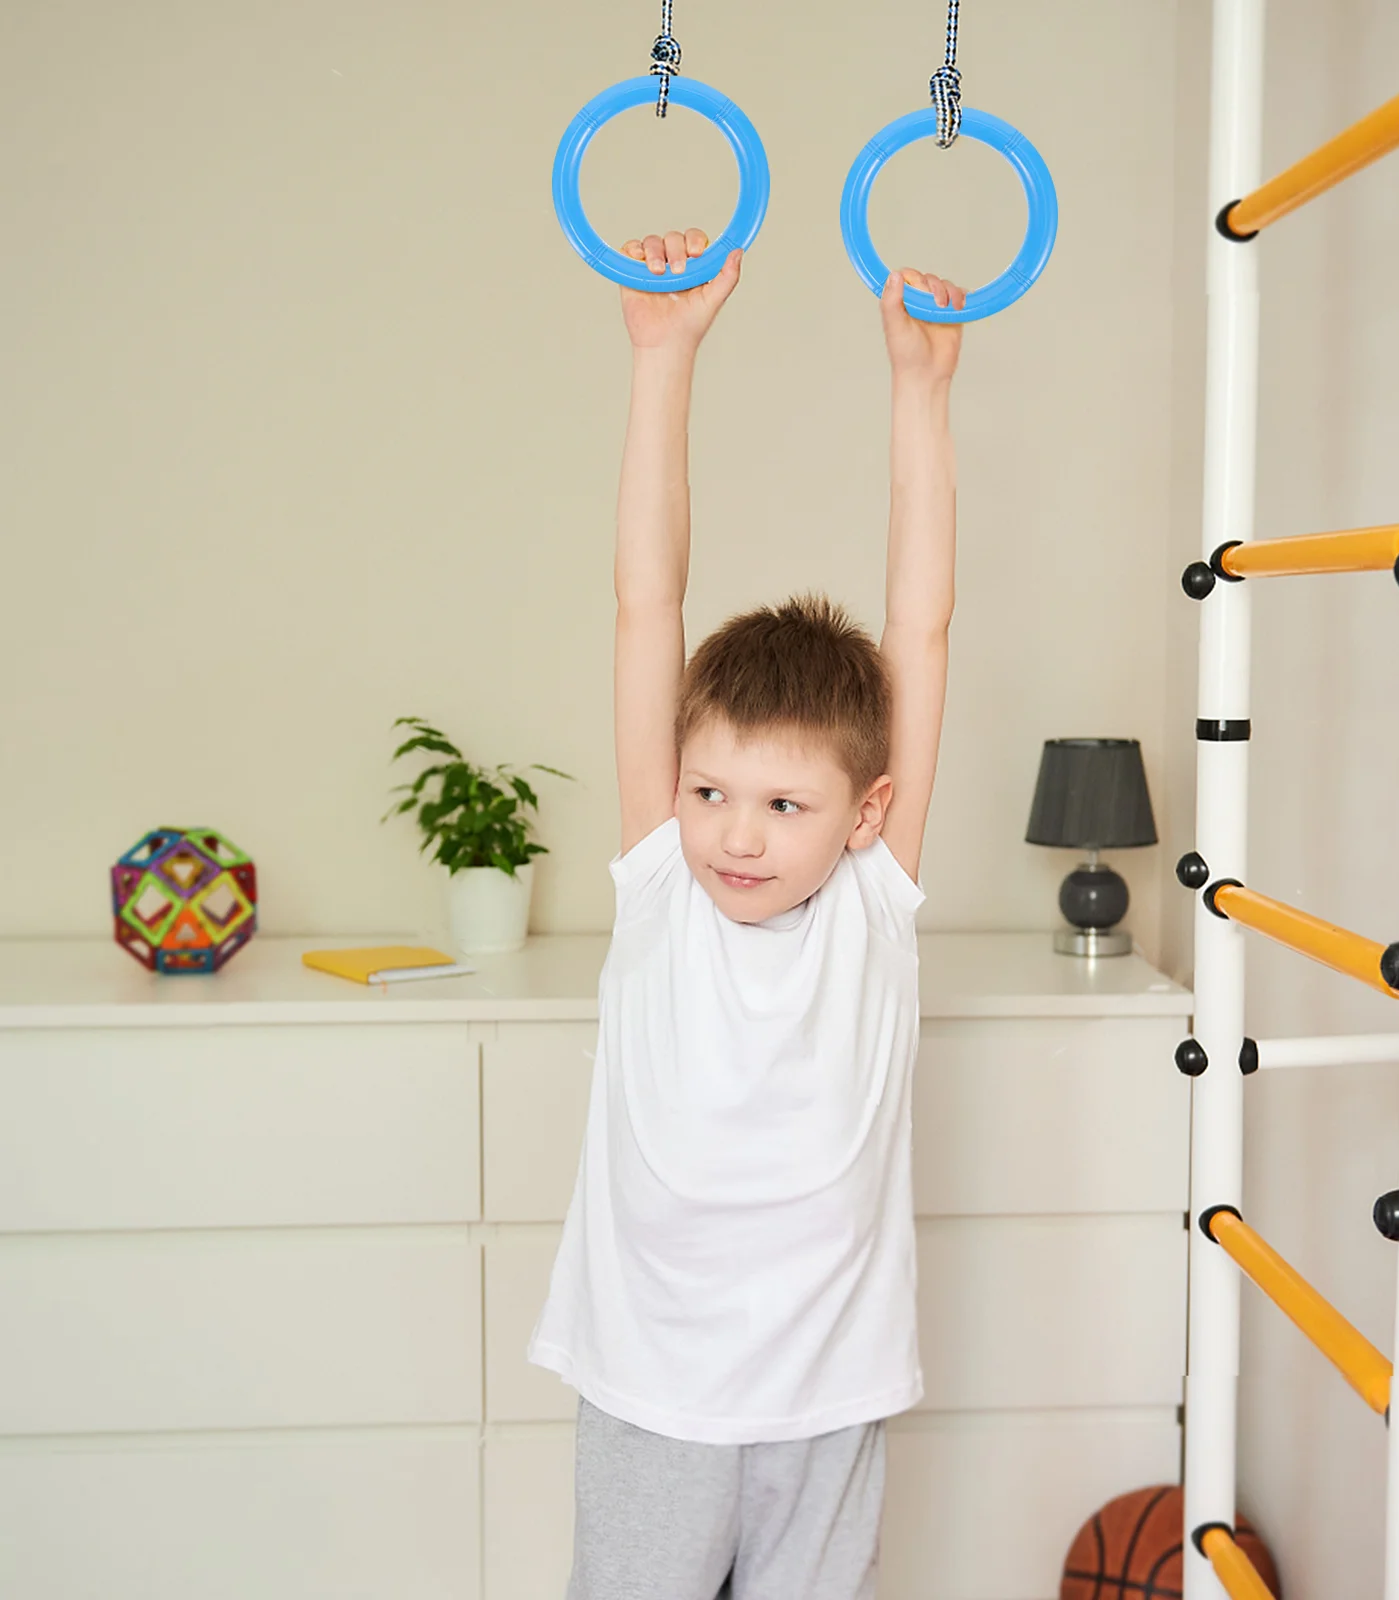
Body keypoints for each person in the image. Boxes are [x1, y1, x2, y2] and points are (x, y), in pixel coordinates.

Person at [529, 225, 964, 1600]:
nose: (735, 832)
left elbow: (924, 628)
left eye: (785, 806)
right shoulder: (663, 878)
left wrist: (921, 392)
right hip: (654, 1388)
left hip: (824, 1397)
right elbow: (642, 600)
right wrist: (663, 358)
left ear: (868, 812)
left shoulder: (876, 907)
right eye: (713, 789)